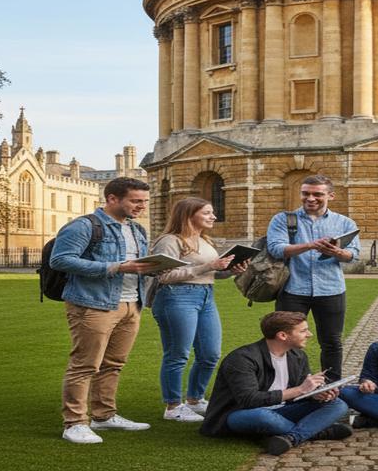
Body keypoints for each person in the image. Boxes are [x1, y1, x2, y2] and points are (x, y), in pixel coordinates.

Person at [49, 177, 157, 444]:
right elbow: (60, 260)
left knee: (114, 364)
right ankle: (74, 423)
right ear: (112, 199)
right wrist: (116, 267)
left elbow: (138, 266)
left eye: (144, 201)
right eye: (136, 201)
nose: (141, 206)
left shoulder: (136, 230)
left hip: (132, 303)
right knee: (85, 364)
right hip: (92, 304)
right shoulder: (84, 226)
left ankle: (104, 415)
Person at [149, 197, 249, 423]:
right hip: (177, 297)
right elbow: (164, 276)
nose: (213, 216)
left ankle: (195, 399)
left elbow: (211, 273)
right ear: (188, 215)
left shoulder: (205, 241)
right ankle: (173, 405)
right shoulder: (170, 241)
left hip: (206, 296)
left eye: (212, 212)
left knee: (210, 354)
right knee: (177, 355)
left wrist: (231, 270)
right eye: (207, 213)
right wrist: (209, 266)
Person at [199, 311, 352, 455]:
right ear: (283, 335)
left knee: (338, 404)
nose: (309, 334)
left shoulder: (298, 356)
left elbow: (299, 394)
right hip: (239, 414)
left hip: (282, 410)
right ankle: (317, 431)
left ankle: (291, 437)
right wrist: (301, 389)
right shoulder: (242, 359)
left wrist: (316, 395)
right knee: (263, 416)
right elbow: (249, 400)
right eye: (303, 331)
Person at [267, 174, 360, 380]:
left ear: (331, 195)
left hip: (331, 289)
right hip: (292, 289)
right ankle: (290, 385)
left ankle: (332, 386)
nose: (310, 198)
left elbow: (354, 254)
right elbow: (275, 249)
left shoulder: (344, 222)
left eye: (317, 194)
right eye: (305, 193)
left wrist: (338, 253)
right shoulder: (284, 219)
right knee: (286, 341)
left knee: (332, 342)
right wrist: (310, 245)